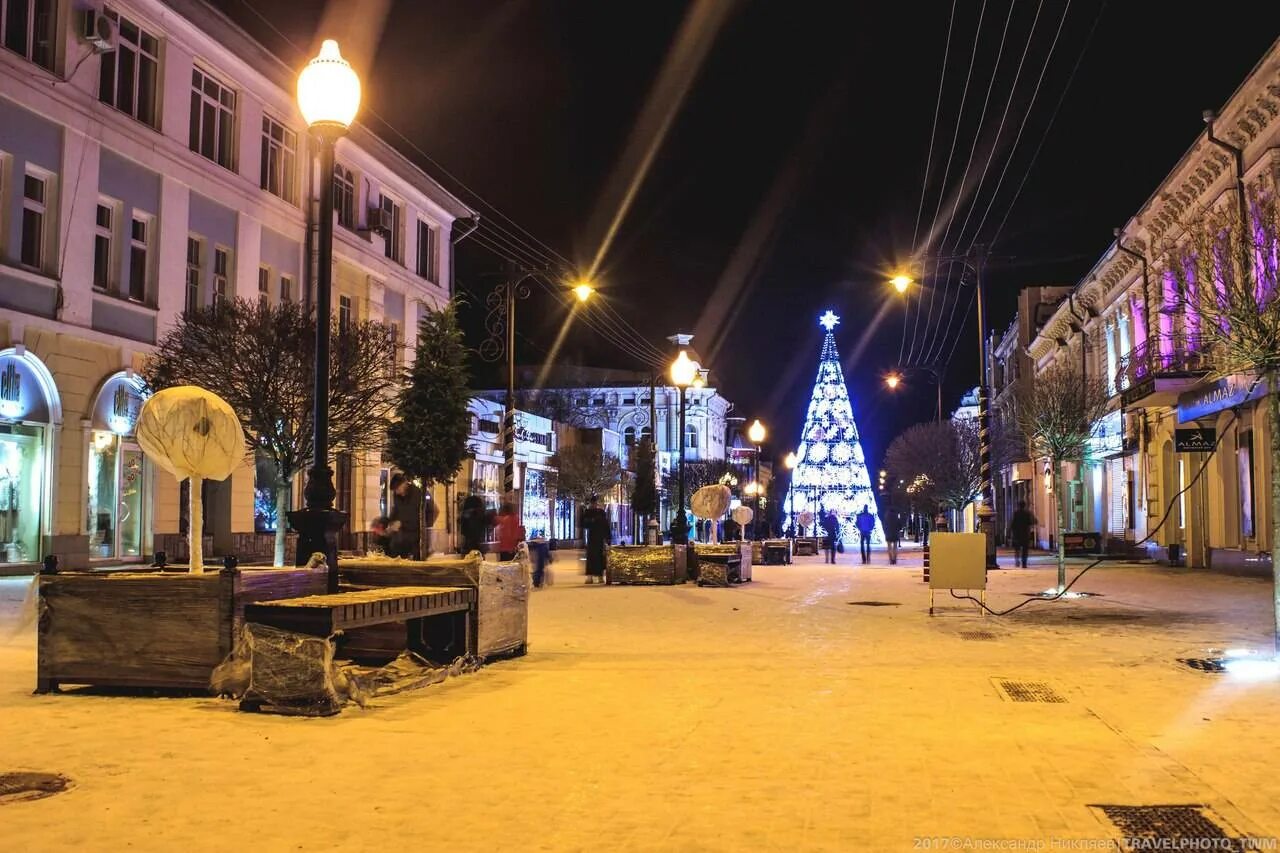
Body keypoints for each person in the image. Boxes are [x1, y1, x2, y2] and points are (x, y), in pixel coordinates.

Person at [387, 474, 422, 559]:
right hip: (401, 535)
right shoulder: (397, 495)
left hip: (414, 534)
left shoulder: (417, 493)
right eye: (395, 490)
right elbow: (396, 509)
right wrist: (389, 523)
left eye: (398, 489)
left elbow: (413, 515)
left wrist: (400, 523)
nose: (396, 492)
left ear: (404, 483)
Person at [581, 495, 610, 583]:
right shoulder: (588, 512)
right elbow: (583, 524)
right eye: (594, 503)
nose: (595, 504)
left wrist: (608, 537)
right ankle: (591, 576)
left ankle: (599, 576)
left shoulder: (600, 512)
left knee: (599, 557)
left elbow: (605, 525)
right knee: (592, 557)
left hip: (598, 538)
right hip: (593, 538)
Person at [1010, 500, 1037, 568]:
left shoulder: (1016, 513)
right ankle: (1024, 563)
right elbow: (1032, 522)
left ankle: (1017, 560)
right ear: (1024, 505)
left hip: (1017, 534)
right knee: (1025, 550)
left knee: (1017, 549)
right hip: (1025, 534)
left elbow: (1013, 524)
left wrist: (1011, 532)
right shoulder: (1027, 513)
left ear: (1018, 506)